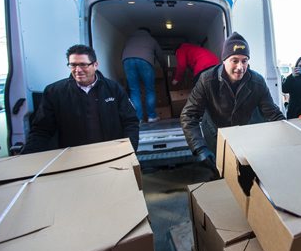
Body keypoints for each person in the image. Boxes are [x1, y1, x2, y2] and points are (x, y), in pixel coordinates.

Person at [180, 32, 285, 173]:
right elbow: (189, 116)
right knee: (221, 174)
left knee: (246, 176)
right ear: (224, 61)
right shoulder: (207, 80)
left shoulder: (257, 81)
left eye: (244, 60)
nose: (240, 67)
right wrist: (200, 148)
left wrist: (288, 135)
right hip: (215, 134)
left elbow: (273, 114)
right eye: (235, 60)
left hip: (244, 133)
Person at [22, 45, 139, 154]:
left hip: (110, 153)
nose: (77, 70)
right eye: (73, 65)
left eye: (83, 64)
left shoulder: (113, 88)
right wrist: (27, 157)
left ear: (95, 65)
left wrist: (128, 151)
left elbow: (130, 122)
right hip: (74, 158)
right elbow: (41, 130)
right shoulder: (54, 92)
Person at [122, 27, 164, 123]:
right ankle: (151, 116)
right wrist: (164, 67)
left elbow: (123, 53)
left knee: (134, 91)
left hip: (127, 61)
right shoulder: (151, 39)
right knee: (149, 89)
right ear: (148, 32)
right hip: (145, 61)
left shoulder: (129, 39)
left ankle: (138, 118)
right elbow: (160, 55)